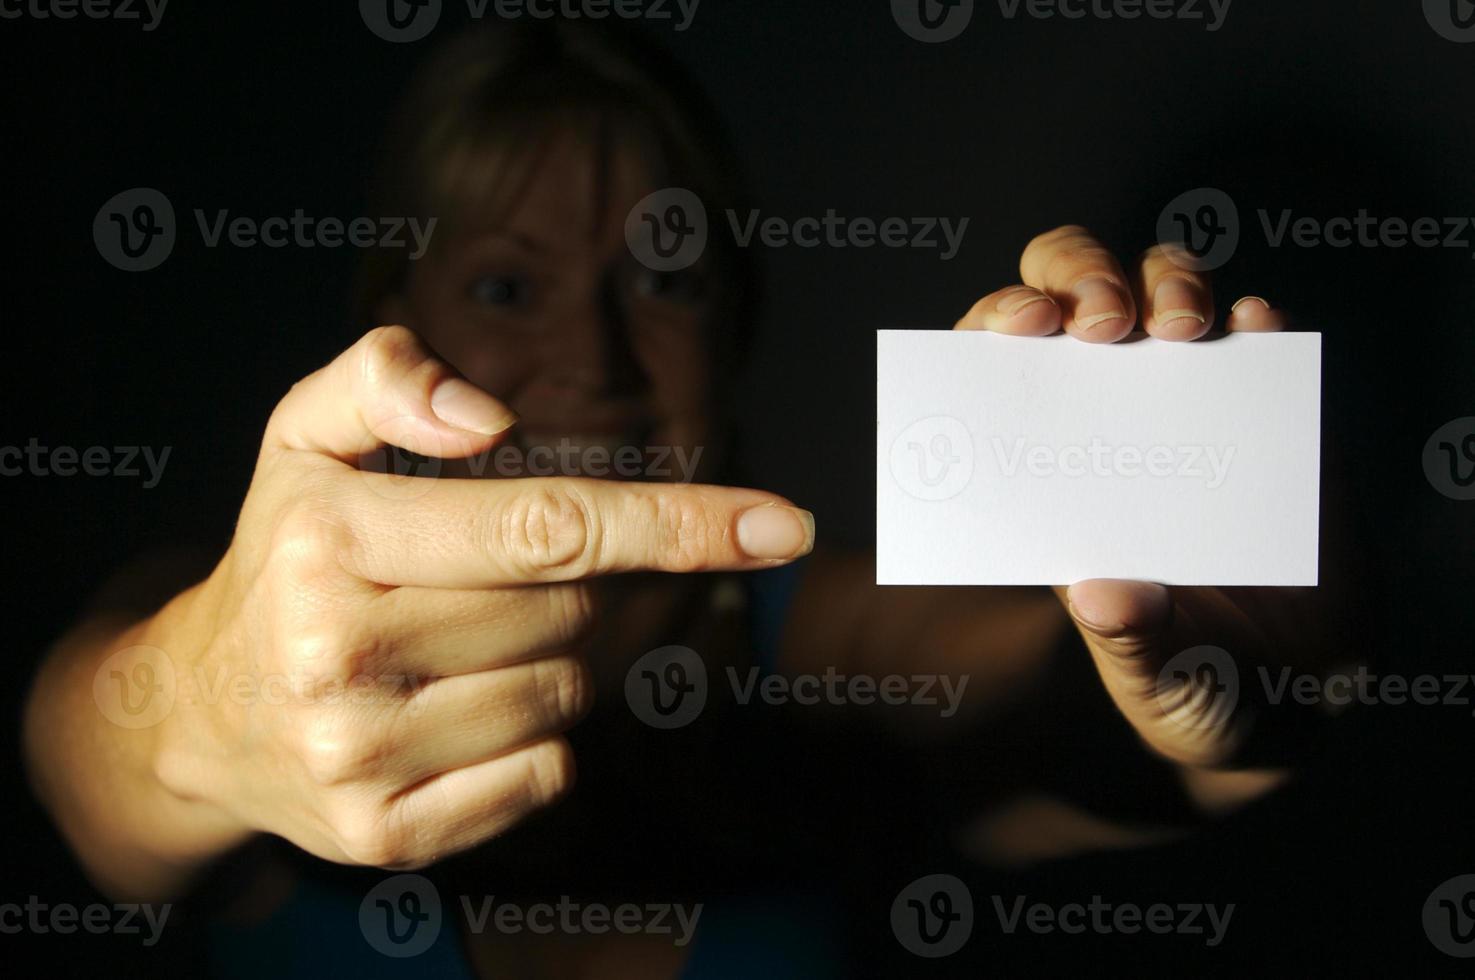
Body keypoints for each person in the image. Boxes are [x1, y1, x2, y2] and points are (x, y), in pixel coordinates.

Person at [23, 20, 1342, 978]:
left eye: (662, 278)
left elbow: (1054, 712)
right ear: (393, 325)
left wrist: (1203, 653)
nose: (591, 357)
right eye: (504, 287)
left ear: (731, 333)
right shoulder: (256, 613)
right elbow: (88, 759)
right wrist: (207, 707)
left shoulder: (820, 636)